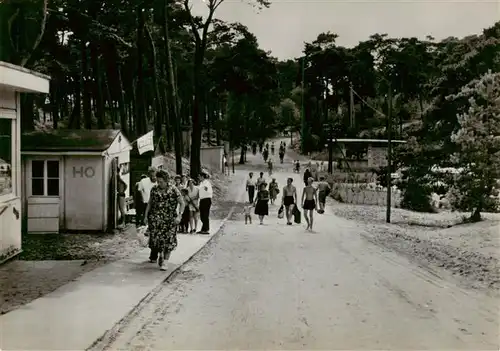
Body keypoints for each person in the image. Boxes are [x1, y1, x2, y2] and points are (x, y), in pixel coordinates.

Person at [144, 170, 185, 270]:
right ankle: (160, 254)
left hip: (170, 220)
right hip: (156, 219)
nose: (159, 184)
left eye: (161, 182)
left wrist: (179, 216)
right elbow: (150, 203)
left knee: (169, 241)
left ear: (166, 181)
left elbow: (182, 203)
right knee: (157, 241)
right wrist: (145, 216)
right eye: (158, 181)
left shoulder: (174, 190)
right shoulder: (154, 189)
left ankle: (165, 262)